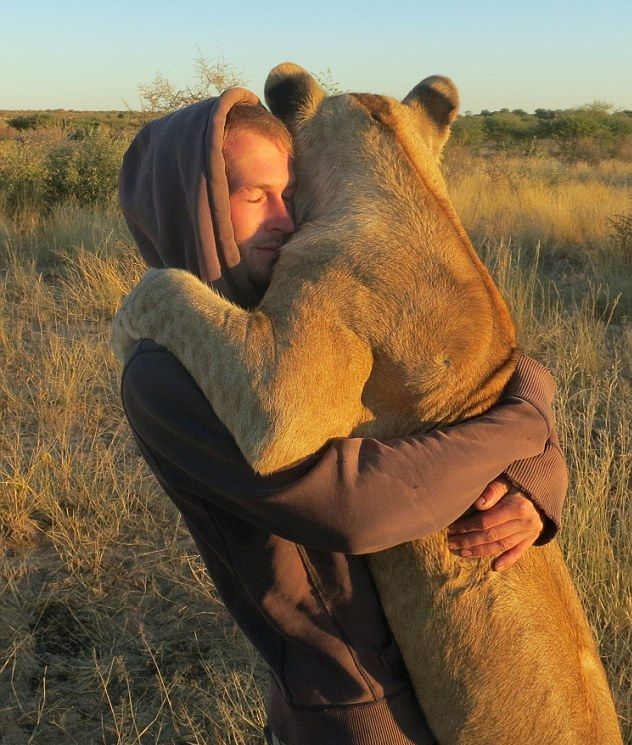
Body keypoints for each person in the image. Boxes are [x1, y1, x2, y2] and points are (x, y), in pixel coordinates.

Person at [117, 88, 568, 745]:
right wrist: (524, 425)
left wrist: (536, 479)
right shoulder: (166, 373)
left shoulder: (289, 313)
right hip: (355, 706)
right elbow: (358, 508)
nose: (285, 217)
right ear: (192, 205)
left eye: (288, 191)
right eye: (251, 195)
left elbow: (452, 392)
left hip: (443, 669)